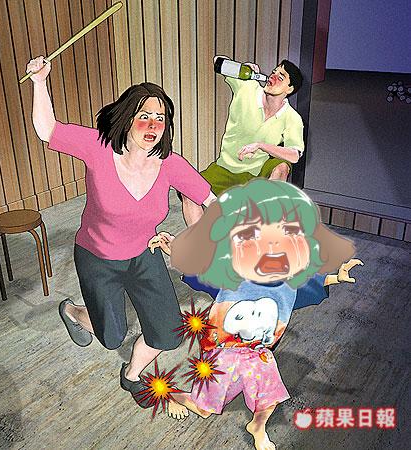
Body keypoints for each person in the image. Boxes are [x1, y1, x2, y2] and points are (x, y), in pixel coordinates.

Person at [26, 56, 215, 407]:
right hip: (97, 257)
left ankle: (131, 375)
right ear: (128, 119)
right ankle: (74, 312)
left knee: (168, 333)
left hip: (144, 254)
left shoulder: (171, 165)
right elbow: (47, 129)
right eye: (144, 115)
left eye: (161, 118)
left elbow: (210, 201)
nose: (153, 125)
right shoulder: (97, 148)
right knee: (112, 337)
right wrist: (40, 81)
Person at [166, 179, 361, 450]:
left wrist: (336, 277)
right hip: (221, 351)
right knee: (205, 408)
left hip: (258, 352)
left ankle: (257, 426)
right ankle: (176, 396)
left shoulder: (289, 282)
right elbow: (201, 269)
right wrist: (175, 251)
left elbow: (312, 283)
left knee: (268, 389)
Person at [182, 56, 304, 224]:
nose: (273, 76)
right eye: (274, 72)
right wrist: (239, 67)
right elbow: (218, 61)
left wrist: (261, 146)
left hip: (256, 172)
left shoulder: (292, 117)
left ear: (289, 89)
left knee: (282, 167)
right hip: (225, 167)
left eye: (281, 77)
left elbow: (295, 155)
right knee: (189, 191)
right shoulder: (247, 87)